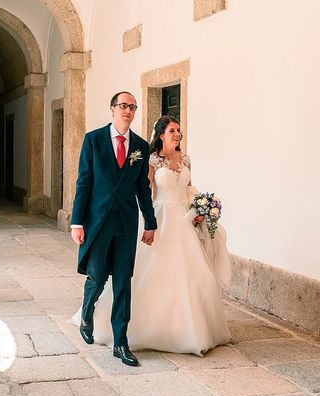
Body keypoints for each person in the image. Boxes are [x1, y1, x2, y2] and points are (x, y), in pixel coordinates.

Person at [73, 115, 231, 355]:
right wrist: (150, 221)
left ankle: (187, 329)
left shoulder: (186, 159)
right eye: (172, 130)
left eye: (179, 130)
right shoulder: (151, 159)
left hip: (184, 220)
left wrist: (199, 209)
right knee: (130, 274)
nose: (177, 134)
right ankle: (101, 319)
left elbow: (189, 189)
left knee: (190, 276)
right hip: (162, 216)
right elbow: (146, 191)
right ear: (161, 134)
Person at [70, 91, 158, 366]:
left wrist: (150, 222)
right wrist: (77, 221)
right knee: (96, 276)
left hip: (126, 223)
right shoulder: (93, 140)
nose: (128, 111)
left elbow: (142, 188)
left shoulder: (141, 147)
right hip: (96, 222)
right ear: (112, 109)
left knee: (123, 282)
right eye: (123, 105)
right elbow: (84, 182)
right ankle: (87, 312)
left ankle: (121, 342)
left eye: (132, 107)